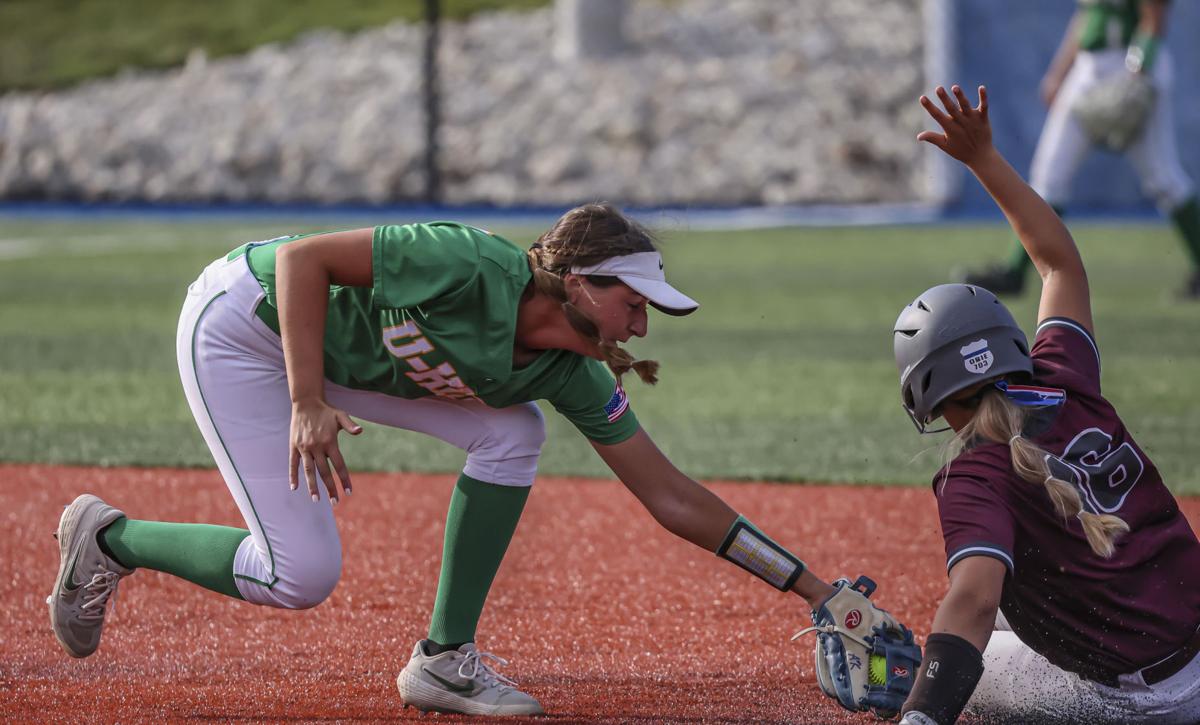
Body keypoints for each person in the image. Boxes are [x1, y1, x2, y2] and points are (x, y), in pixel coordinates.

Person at [46, 203, 903, 716]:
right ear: (578, 280)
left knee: (513, 432)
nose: (642, 324)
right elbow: (306, 261)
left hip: (327, 361)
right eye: (633, 301)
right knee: (296, 573)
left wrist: (816, 590)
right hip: (244, 322)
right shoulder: (471, 264)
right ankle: (109, 538)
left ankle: (442, 659)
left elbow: (670, 495)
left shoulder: (566, 369)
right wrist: (308, 399)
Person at [896, 85, 1200, 724]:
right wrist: (984, 160)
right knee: (1010, 601)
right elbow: (1059, 264)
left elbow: (974, 602)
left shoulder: (972, 474)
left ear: (928, 396)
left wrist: (921, 715)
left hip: (1152, 701)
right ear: (1009, 347)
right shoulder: (1063, 375)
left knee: (937, 658)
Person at [959, 0, 1200, 299]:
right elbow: (1086, 15)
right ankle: (1016, 271)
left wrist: (1137, 75)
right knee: (1049, 175)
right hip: (1087, 69)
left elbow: (1154, 17)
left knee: (1164, 178)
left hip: (1132, 65)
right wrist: (1059, 72)